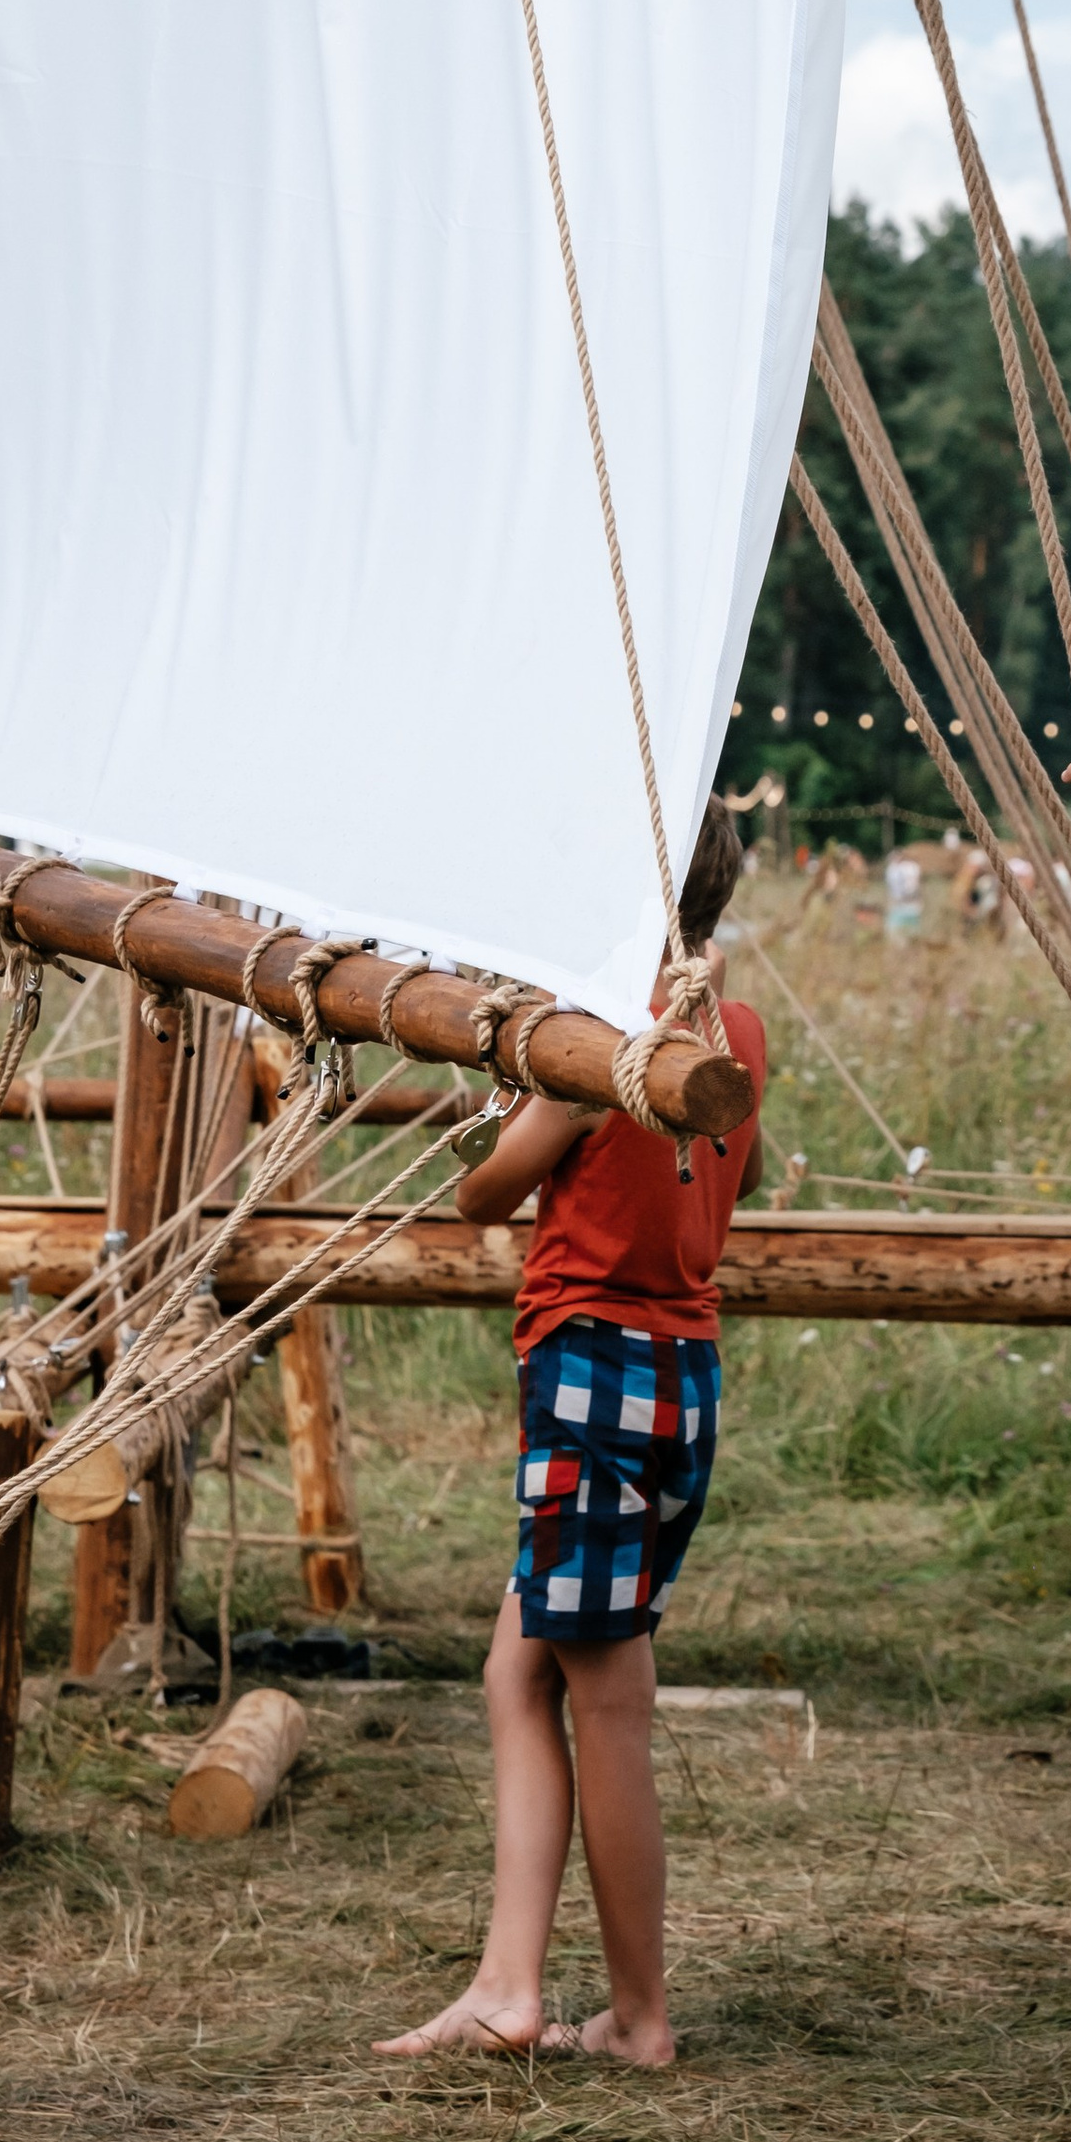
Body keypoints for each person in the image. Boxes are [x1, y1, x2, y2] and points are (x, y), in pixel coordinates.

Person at [375, 805, 767, 2065]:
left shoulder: (603, 1038)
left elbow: (485, 1193)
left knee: (609, 1701)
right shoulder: (735, 1029)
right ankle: (507, 1985)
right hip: (682, 1375)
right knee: (519, 1672)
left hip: (592, 1370)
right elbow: (742, 1172)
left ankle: (641, 2018)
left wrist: (537, 1094)